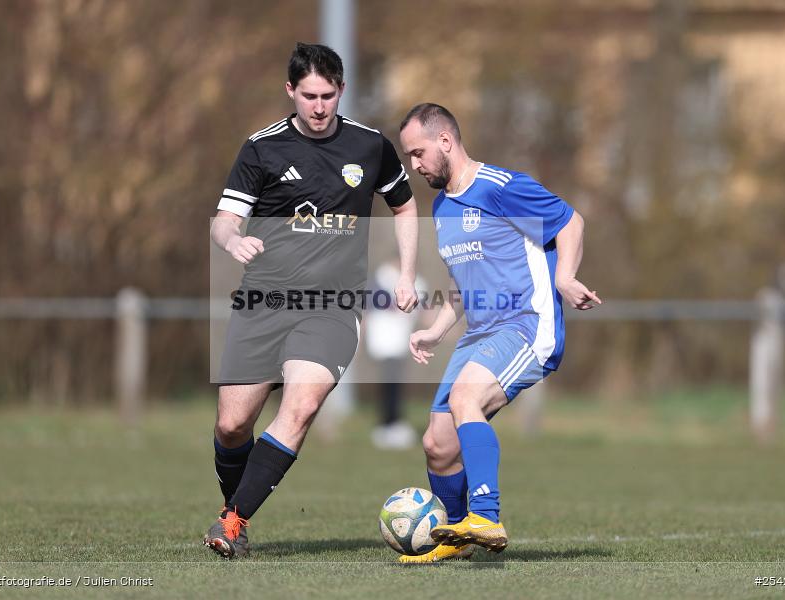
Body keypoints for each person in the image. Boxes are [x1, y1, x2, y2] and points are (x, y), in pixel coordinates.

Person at [204, 43, 418, 559]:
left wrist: (409, 273)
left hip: (332, 306)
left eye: (327, 95)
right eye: (308, 96)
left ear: (341, 90)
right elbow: (224, 221)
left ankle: (233, 521)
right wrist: (233, 242)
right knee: (232, 426)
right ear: (290, 91)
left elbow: (405, 207)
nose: (319, 107)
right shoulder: (262, 148)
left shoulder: (371, 146)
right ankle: (236, 510)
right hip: (263, 299)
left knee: (299, 408)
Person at [396, 103, 601, 563]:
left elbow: (571, 221)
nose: (414, 165)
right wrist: (436, 330)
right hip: (480, 333)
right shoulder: (442, 207)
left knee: (465, 399)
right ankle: (456, 540)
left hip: (526, 324)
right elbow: (461, 281)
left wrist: (565, 277)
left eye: (418, 153)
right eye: (409, 156)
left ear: (445, 141)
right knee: (438, 443)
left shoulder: (500, 186)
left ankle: (485, 516)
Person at [364, 259, 425, 450]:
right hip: (384, 341)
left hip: (401, 341)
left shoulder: (417, 282)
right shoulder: (380, 279)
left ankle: (392, 423)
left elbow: (421, 311)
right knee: (390, 384)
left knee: (395, 384)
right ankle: (389, 424)